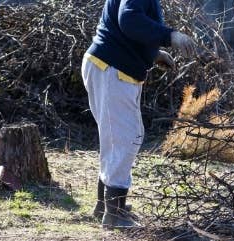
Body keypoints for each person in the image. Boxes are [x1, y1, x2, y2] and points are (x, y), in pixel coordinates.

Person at [81, 0, 193, 228]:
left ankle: (107, 206)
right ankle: (114, 214)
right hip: (111, 69)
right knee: (126, 137)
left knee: (115, 139)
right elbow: (129, 20)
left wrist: (152, 53)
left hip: (108, 66)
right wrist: (170, 36)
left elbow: (126, 27)